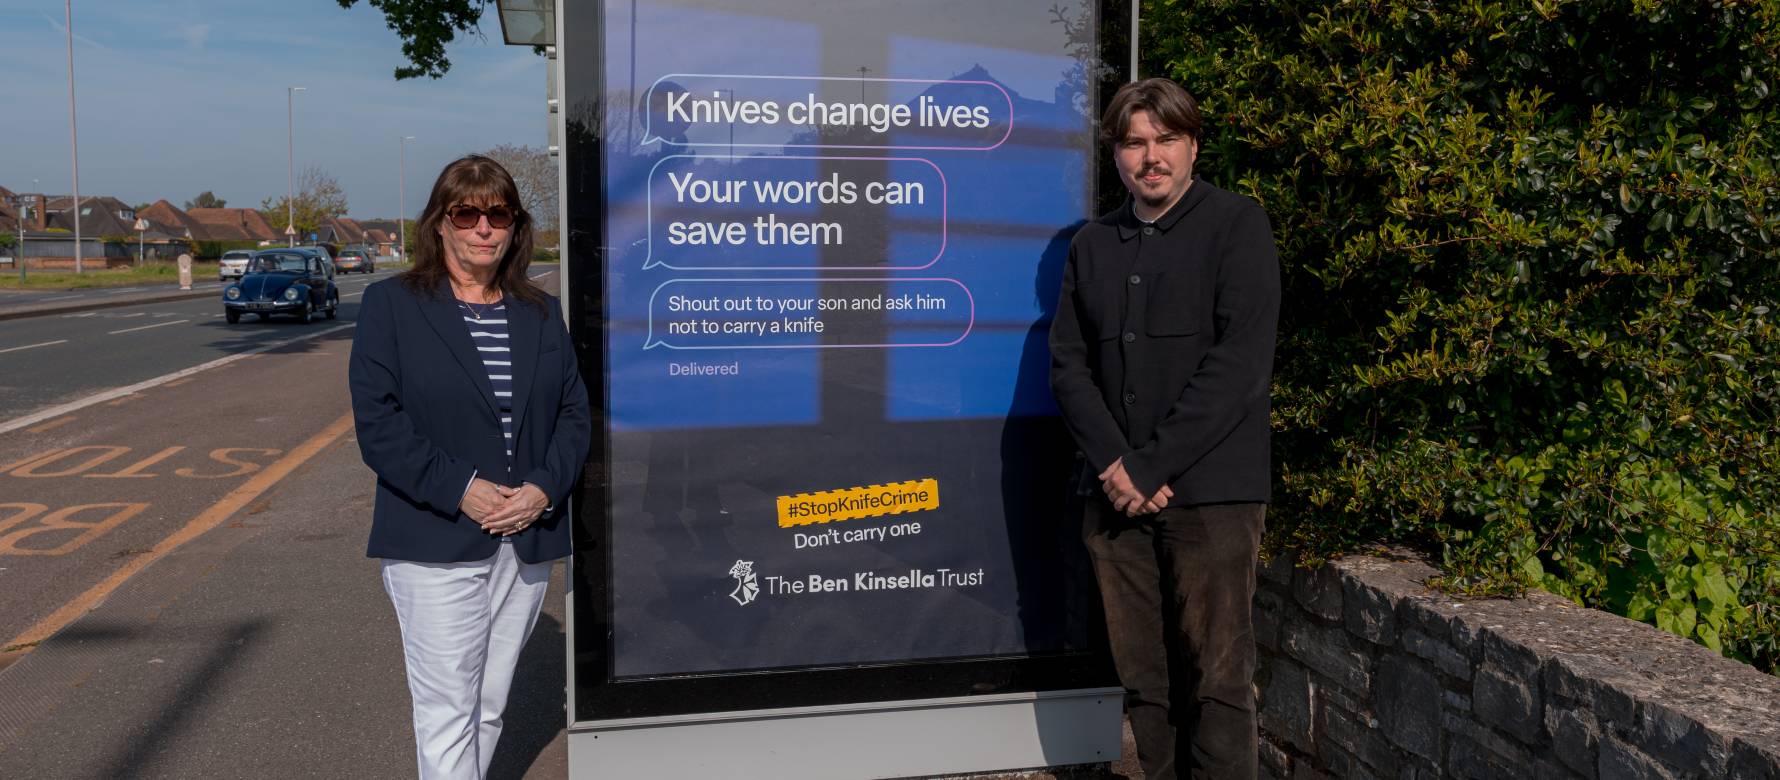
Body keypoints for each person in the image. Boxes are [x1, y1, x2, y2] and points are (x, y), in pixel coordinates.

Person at [1049, 78, 1281, 779]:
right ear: (1116, 155)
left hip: (1212, 494)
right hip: (1115, 499)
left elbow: (1238, 366)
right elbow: (1068, 365)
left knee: (1217, 680)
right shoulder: (1093, 244)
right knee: (1145, 682)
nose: (1151, 157)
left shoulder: (1238, 225)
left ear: (1192, 145)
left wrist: (1149, 468)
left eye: (1165, 139)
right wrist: (1119, 467)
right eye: (1134, 142)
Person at [348, 154, 592, 779]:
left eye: (498, 214)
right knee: (448, 710)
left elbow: (572, 414)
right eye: (468, 213)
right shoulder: (392, 305)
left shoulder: (539, 312)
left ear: (514, 226)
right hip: (435, 538)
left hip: (526, 537)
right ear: (440, 223)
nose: (484, 227)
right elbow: (380, 426)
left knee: (487, 705)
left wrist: (541, 489)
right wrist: (464, 490)